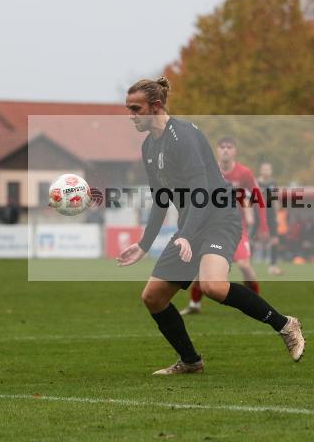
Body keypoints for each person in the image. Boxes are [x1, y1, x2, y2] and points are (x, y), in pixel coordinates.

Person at [116, 77, 304, 375]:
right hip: (191, 224)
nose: (131, 116)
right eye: (128, 109)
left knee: (213, 286)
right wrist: (143, 244)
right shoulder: (149, 148)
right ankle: (191, 361)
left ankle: (285, 325)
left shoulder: (184, 136)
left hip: (218, 217)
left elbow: (202, 190)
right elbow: (160, 200)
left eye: (136, 109)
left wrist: (187, 235)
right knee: (153, 298)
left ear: (156, 106)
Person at [181, 136, 269, 316]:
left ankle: (256, 305)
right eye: (222, 147)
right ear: (217, 150)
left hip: (235, 226)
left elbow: (258, 197)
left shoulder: (244, 173)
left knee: (244, 265)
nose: (226, 150)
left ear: (235, 150)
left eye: (229, 147)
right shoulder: (208, 171)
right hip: (210, 226)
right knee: (202, 268)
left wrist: (263, 226)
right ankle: (195, 304)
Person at [255, 162, 283, 276]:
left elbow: (275, 200)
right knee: (251, 237)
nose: (266, 171)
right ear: (261, 170)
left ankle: (273, 265)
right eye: (264, 169)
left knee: (275, 239)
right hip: (257, 212)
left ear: (271, 171)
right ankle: (246, 263)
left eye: (268, 169)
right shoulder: (256, 182)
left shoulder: (273, 183)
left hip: (270, 213)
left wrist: (277, 215)